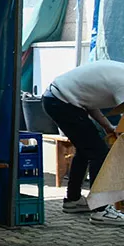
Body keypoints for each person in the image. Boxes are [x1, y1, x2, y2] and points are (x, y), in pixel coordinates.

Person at [41, 60, 124, 225]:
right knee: (99, 153)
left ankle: (73, 200)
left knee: (86, 150)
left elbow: (89, 103)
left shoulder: (117, 72)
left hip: (59, 99)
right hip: (62, 101)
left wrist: (107, 127)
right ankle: (100, 210)